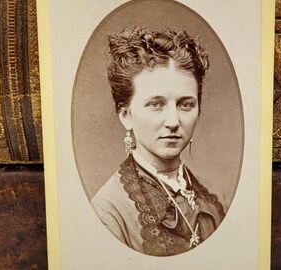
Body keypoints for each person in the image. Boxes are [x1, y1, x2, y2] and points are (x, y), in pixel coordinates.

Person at [92, 27, 225, 256]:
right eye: (156, 104)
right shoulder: (108, 209)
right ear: (126, 115)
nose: (173, 121)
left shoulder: (214, 200)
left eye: (185, 104)